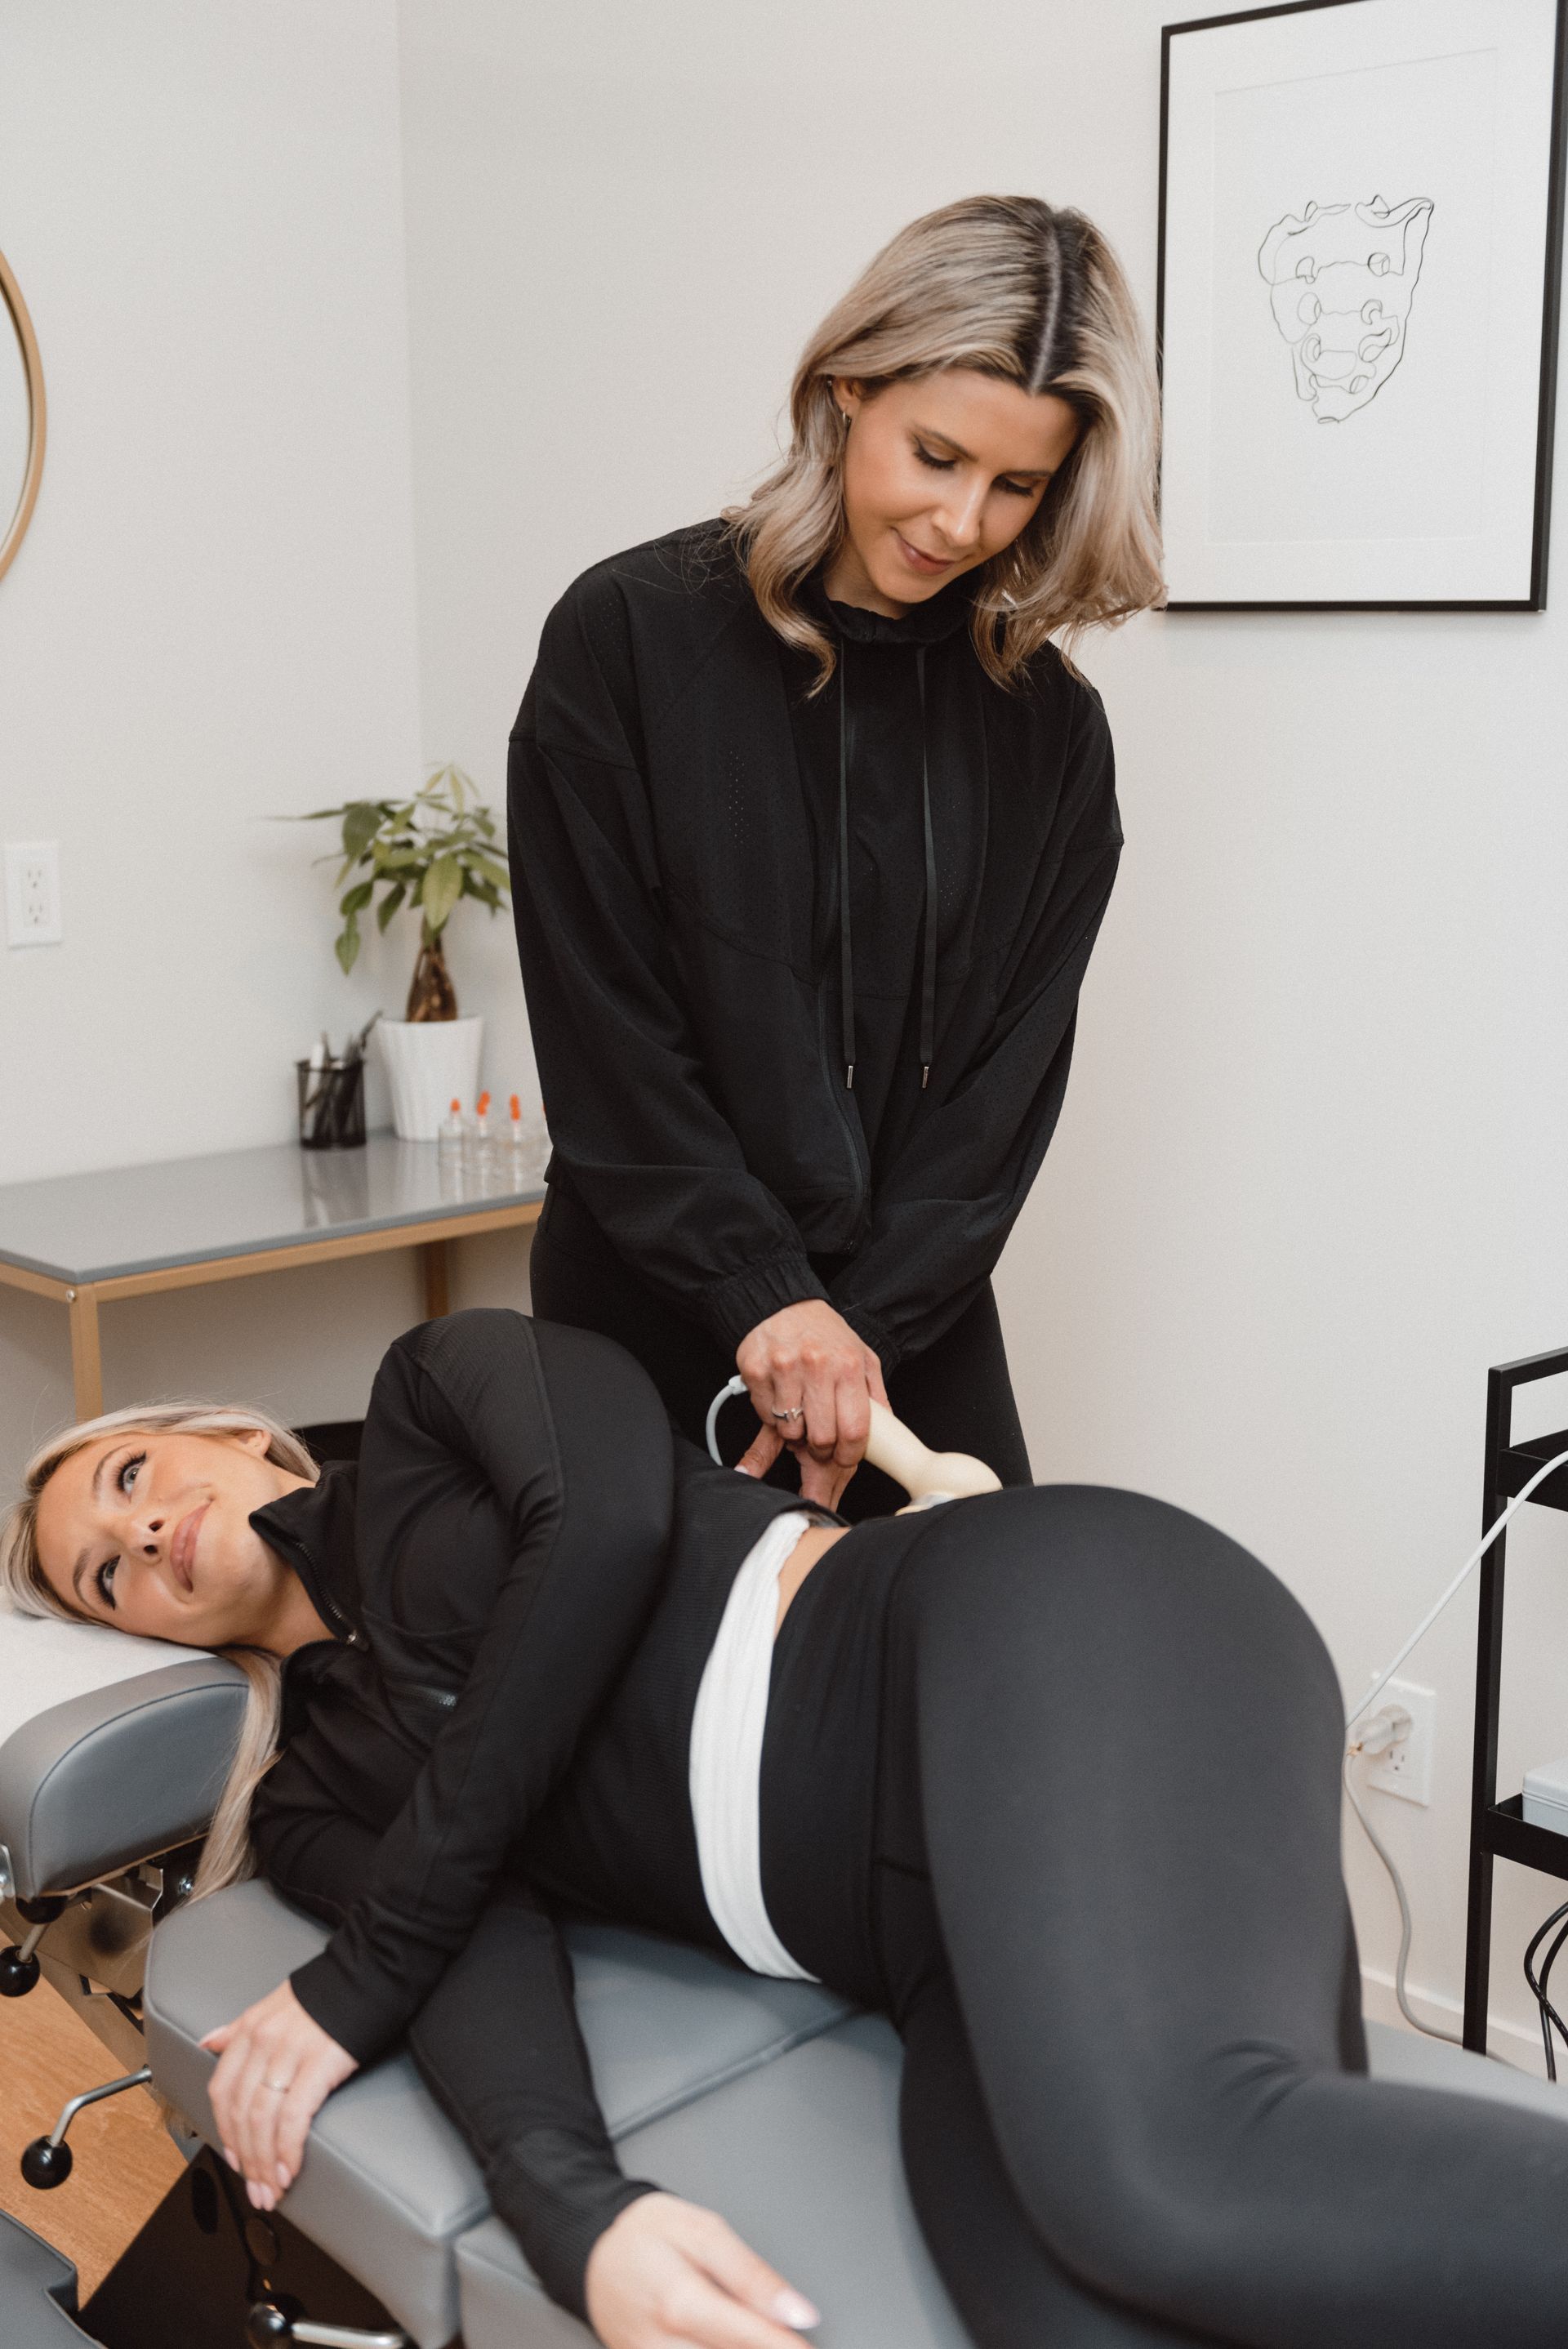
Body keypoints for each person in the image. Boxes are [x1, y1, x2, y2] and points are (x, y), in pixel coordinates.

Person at [10, 1307, 1568, 2349]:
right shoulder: (311, 1797)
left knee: (1157, 2177)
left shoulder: (430, 1403)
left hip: (1023, 1633)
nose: (143, 1534)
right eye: (104, 1574)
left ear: (221, 1437)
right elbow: (478, 1935)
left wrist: (358, 1980)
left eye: (132, 1478)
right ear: (138, 1632)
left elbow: (607, 1523)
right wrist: (579, 2217)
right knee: (1063, 2316)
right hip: (918, 1932)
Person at [512, 194, 1163, 1518]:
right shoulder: (629, 639)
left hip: (903, 1330)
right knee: (655, 1710)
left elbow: (1001, 1103)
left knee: (983, 1677)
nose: (965, 521)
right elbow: (610, 1038)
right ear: (849, 387)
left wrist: (849, 1340)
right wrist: (771, 1305)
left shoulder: (1052, 733)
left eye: (1018, 484)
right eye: (935, 454)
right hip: (652, 1293)